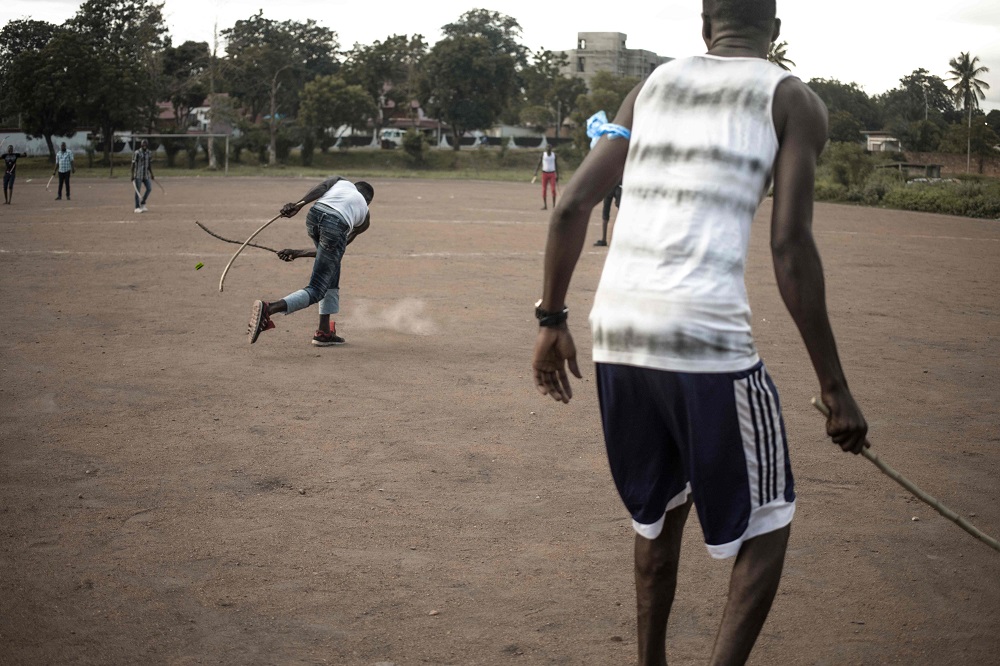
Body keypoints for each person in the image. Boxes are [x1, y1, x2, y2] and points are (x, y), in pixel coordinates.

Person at [531, 1, 870, 664]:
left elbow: (573, 204)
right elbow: (790, 244)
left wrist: (551, 320)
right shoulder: (792, 99)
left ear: (704, 26)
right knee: (768, 520)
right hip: (706, 341)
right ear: (774, 31)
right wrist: (836, 389)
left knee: (657, 518)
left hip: (621, 334)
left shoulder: (648, 88)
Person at [247, 176, 374, 347]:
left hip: (313, 216)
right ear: (368, 201)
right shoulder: (364, 217)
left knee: (332, 267)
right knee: (316, 289)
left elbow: (322, 188)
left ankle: (324, 332)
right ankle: (269, 308)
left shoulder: (341, 182)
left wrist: (298, 205)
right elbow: (337, 245)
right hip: (337, 224)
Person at [594, 180, 622, 247]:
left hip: (611, 186)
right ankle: (618, 239)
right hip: (618, 186)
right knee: (620, 211)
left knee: (606, 211)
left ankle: (604, 239)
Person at [532, 145, 559, 210]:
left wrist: (557, 175)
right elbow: (539, 163)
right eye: (547, 148)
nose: (548, 149)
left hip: (552, 173)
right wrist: (536, 171)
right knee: (544, 190)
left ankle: (554, 205)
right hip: (544, 173)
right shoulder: (543, 155)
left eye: (549, 148)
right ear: (546, 149)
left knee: (553, 189)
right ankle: (545, 205)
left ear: (551, 149)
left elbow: (556, 165)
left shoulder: (554, 155)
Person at [131, 139, 154, 213]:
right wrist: (132, 175)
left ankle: (143, 202)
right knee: (138, 191)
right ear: (141, 145)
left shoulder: (149, 153)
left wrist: (152, 174)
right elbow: (133, 164)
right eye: (143, 144)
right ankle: (137, 207)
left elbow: (149, 164)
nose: (144, 145)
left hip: (146, 175)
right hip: (138, 174)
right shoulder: (137, 153)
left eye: (145, 144)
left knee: (149, 188)